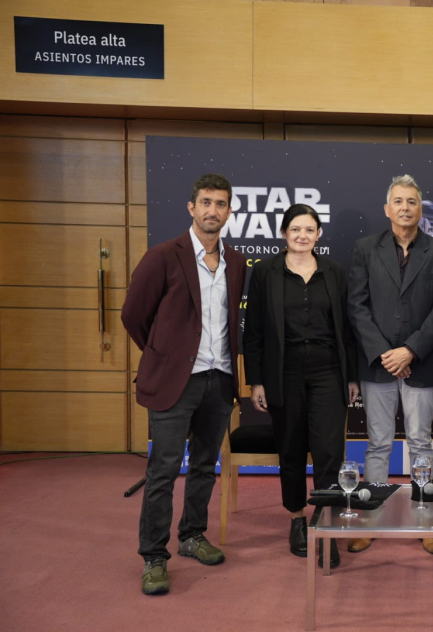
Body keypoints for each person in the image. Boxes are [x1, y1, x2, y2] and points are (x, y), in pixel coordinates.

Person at [122, 173, 247, 596]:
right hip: (175, 381)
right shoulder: (162, 256)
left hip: (219, 378)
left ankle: (192, 535)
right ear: (191, 208)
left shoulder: (237, 260)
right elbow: (133, 315)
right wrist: (164, 354)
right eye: (206, 202)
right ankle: (154, 558)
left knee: (204, 465)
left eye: (222, 203)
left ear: (230, 211)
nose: (214, 210)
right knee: (163, 470)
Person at [242, 204, 359, 567]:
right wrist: (256, 380)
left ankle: (325, 524)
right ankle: (296, 519)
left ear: (318, 234)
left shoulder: (335, 273)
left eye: (309, 229)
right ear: (283, 233)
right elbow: (255, 330)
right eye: (295, 229)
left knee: (329, 453)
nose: (302, 236)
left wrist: (352, 375)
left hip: (328, 372)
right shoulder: (265, 272)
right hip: (283, 372)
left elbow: (349, 330)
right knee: (290, 450)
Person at [346, 175, 433, 555]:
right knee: (377, 446)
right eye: (399, 201)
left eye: (412, 201)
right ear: (387, 208)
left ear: (420, 209)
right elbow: (356, 306)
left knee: (421, 443)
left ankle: (426, 518)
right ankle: (369, 517)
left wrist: (409, 351)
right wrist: (385, 354)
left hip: (421, 363)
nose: (405, 207)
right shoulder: (364, 249)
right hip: (376, 364)